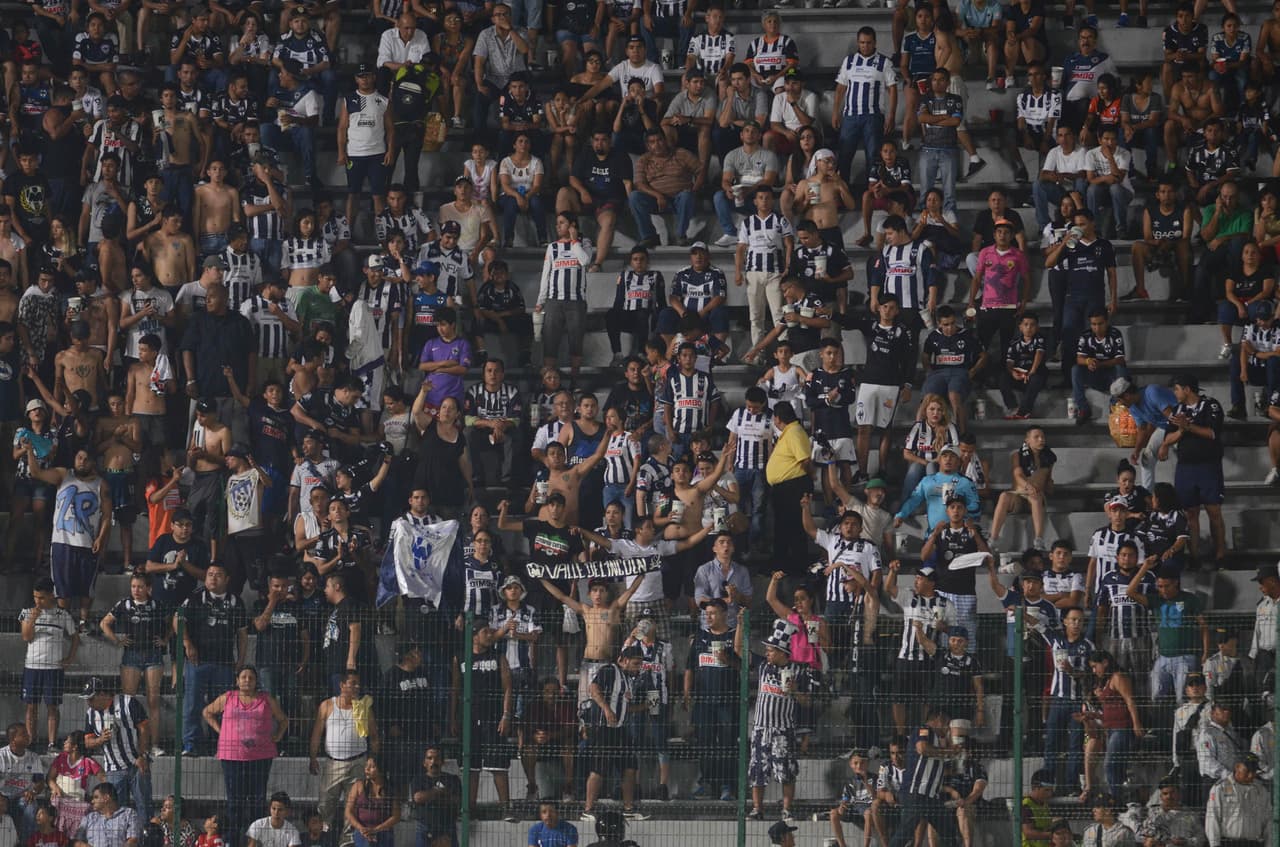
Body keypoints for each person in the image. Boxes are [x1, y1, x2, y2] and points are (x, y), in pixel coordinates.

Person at [202, 666, 288, 841]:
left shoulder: (265, 699)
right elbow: (207, 712)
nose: (247, 680)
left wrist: (277, 736)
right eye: (243, 677)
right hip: (232, 756)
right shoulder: (228, 697)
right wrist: (222, 731)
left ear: (256, 681)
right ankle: (233, 840)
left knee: (257, 800)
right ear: (237, 680)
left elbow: (283, 720)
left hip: (261, 757)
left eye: (251, 677)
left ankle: (254, 840)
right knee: (235, 801)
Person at [309, 672, 379, 837]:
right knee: (325, 805)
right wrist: (312, 757)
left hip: (358, 763)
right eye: (352, 683)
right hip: (333, 764)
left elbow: (374, 736)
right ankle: (324, 837)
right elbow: (317, 733)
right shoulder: (327, 705)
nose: (356, 687)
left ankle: (347, 841)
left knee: (354, 806)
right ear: (342, 685)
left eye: (358, 684)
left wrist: (372, 759)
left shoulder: (363, 707)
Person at [20, 577, 79, 753]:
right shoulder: (27, 612)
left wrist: (69, 658)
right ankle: (31, 740)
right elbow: (26, 637)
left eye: (42, 597)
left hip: (53, 668)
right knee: (31, 706)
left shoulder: (63, 615)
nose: (38, 601)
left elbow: (75, 637)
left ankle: (52, 743)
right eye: (35, 597)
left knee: (52, 706)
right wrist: (32, 619)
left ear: (51, 595)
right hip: (32, 666)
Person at [1204, 754, 1272, 847]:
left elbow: (1268, 821)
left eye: (1254, 771)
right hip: (1229, 843)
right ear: (1237, 767)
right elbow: (1212, 819)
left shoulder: (1261, 791)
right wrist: (1214, 844)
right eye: (1247, 771)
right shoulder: (1220, 788)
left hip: (1253, 843)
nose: (1251, 775)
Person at [409, 747, 461, 847]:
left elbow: (456, 800)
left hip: (447, 828)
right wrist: (437, 791)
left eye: (437, 758)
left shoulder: (453, 779)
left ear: (442, 762)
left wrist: (429, 796)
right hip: (425, 828)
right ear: (424, 762)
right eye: (430, 758)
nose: (433, 761)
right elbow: (418, 798)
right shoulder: (418, 779)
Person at [73, 784, 138, 847]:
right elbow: (77, 842)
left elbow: (133, 840)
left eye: (96, 797)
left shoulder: (128, 814)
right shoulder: (89, 818)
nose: (92, 801)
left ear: (106, 798)